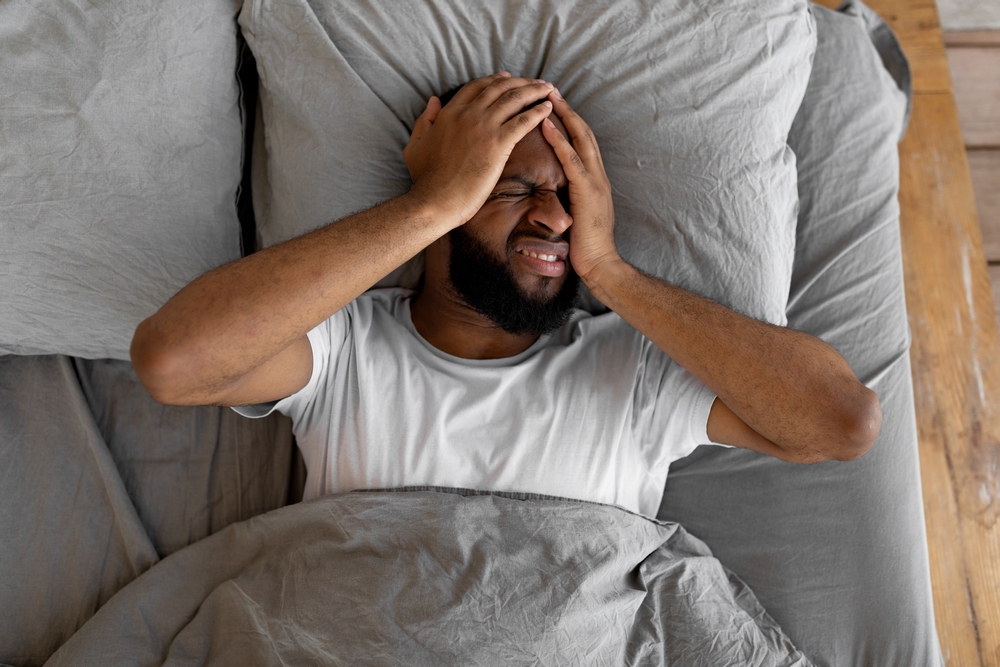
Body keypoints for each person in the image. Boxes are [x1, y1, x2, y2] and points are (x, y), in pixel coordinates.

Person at [130, 73, 881, 517]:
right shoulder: (344, 347)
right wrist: (429, 205)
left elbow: (841, 422)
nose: (554, 215)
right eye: (516, 188)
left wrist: (611, 271)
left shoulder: (634, 369)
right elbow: (171, 360)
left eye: (568, 195)